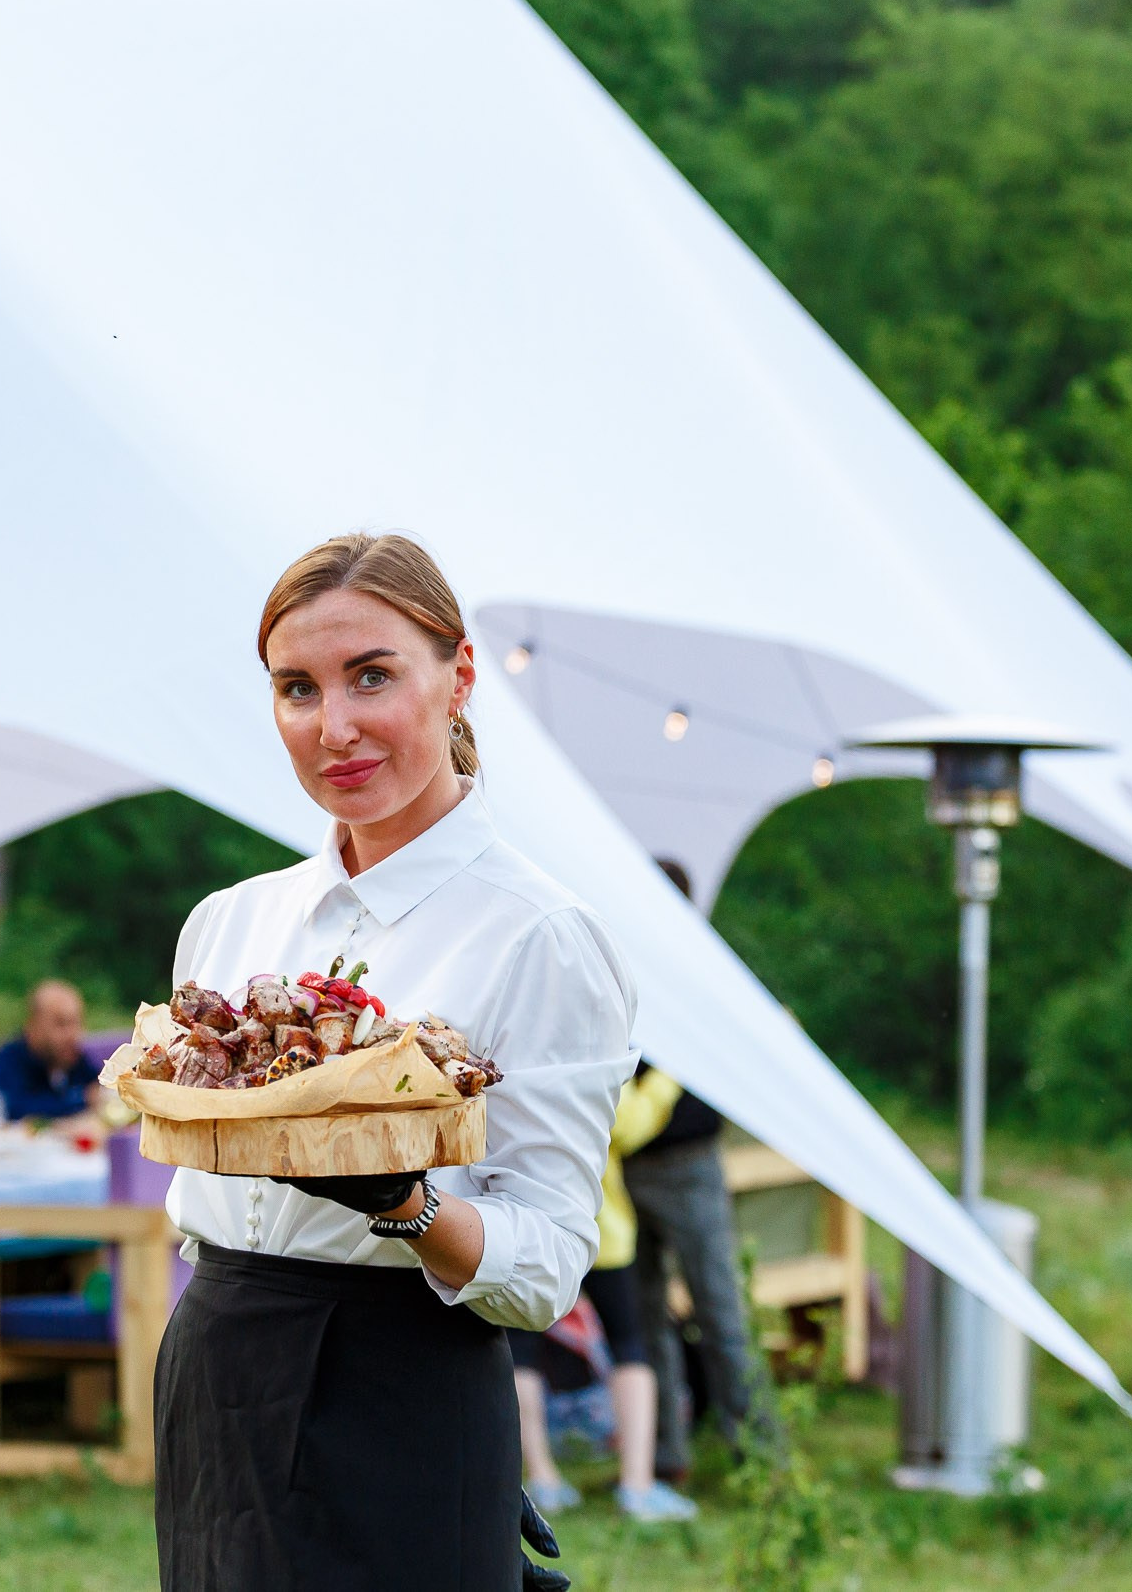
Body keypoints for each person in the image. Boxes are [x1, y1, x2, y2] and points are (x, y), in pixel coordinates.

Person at [155, 532, 634, 1592]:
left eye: (372, 676)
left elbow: (548, 1266)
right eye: (297, 688)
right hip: (216, 1363)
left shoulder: (539, 934)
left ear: (459, 676)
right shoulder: (228, 925)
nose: (335, 727)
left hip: (395, 1380)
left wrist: (403, 1204)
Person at [624, 859, 765, 1481]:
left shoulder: (697, 971)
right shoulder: (627, 964)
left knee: (716, 1310)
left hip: (682, 1160)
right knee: (654, 1315)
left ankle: (759, 1456)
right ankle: (668, 1454)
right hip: (633, 1164)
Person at [511, 1073, 701, 1522]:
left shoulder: (515, 1049)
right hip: (600, 1227)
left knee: (521, 1349)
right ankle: (637, 1486)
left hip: (526, 1221)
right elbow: (628, 1125)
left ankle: (542, 1479)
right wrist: (667, 1080)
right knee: (629, 1347)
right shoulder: (591, 1048)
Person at [0, 979, 101, 1120]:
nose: (72, 1035)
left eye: (76, 1023)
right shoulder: (7, 1063)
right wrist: (82, 1099)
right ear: (34, 1024)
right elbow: (15, 1109)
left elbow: (98, 1087)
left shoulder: (71, 1056)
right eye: (61, 1024)